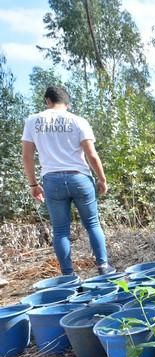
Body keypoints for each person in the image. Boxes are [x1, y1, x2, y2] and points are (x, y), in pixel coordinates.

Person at [22, 86, 115, 276]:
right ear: (67, 103)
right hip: (79, 178)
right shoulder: (78, 121)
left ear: (47, 100)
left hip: (52, 180)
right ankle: (104, 267)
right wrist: (102, 179)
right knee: (92, 224)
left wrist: (33, 185)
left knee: (61, 230)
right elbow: (91, 155)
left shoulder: (33, 121)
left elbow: (27, 156)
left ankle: (68, 276)